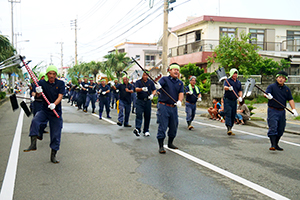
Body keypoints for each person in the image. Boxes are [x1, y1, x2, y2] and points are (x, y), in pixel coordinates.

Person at [24, 65, 65, 164]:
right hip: (45, 110)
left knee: (55, 135)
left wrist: (54, 104)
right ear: (47, 74)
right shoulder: (41, 83)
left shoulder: (60, 83)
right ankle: (33, 144)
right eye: (50, 74)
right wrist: (37, 93)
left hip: (56, 112)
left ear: (56, 74)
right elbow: (37, 94)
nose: (52, 76)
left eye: (54, 74)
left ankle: (53, 155)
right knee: (35, 120)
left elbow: (60, 96)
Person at [264, 71, 298, 151]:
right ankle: (272, 144)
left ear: (285, 79)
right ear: (277, 78)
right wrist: (268, 96)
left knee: (281, 128)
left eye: (283, 78)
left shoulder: (286, 89)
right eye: (279, 77)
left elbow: (290, 99)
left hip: (282, 111)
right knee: (273, 127)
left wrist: (294, 109)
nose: (281, 79)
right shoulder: (271, 86)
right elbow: (266, 93)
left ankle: (276, 144)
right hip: (273, 110)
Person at [155, 63, 184, 154]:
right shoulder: (164, 79)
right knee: (163, 126)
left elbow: (181, 93)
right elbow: (158, 87)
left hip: (173, 107)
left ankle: (170, 143)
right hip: (163, 106)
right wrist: (158, 86)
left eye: (178, 70)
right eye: (174, 69)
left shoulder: (180, 82)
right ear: (170, 71)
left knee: (174, 125)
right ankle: (161, 146)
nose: (176, 71)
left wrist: (179, 101)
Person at [133, 71, 156, 137]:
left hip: (147, 100)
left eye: (147, 75)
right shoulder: (138, 82)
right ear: (142, 75)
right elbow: (136, 89)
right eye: (144, 75)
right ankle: (137, 128)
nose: (145, 76)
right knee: (139, 114)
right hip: (140, 100)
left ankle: (146, 130)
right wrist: (141, 89)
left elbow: (154, 90)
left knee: (147, 116)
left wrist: (152, 95)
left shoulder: (150, 82)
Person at [223, 68, 243, 136]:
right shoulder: (228, 80)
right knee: (228, 113)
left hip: (234, 101)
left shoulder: (238, 82)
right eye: (234, 73)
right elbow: (225, 87)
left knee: (233, 114)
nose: (235, 75)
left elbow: (240, 91)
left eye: (236, 73)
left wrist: (240, 97)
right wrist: (229, 88)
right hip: (227, 100)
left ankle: (231, 127)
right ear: (231, 74)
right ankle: (228, 128)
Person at [31, 72, 48, 140]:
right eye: (42, 77)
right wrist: (34, 95)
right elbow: (33, 92)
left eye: (44, 77)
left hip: (44, 104)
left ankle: (41, 131)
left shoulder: (47, 84)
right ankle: (37, 133)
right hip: (37, 103)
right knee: (37, 118)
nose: (43, 79)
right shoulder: (37, 84)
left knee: (44, 121)